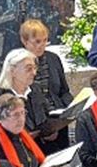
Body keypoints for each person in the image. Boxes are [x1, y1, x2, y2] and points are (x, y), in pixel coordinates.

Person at [20, 19, 73, 156]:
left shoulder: (53, 59)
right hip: (36, 126)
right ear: (25, 41)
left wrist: (71, 108)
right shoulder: (19, 63)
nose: (42, 45)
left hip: (58, 119)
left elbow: (63, 90)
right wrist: (44, 128)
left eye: (45, 41)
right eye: (37, 42)